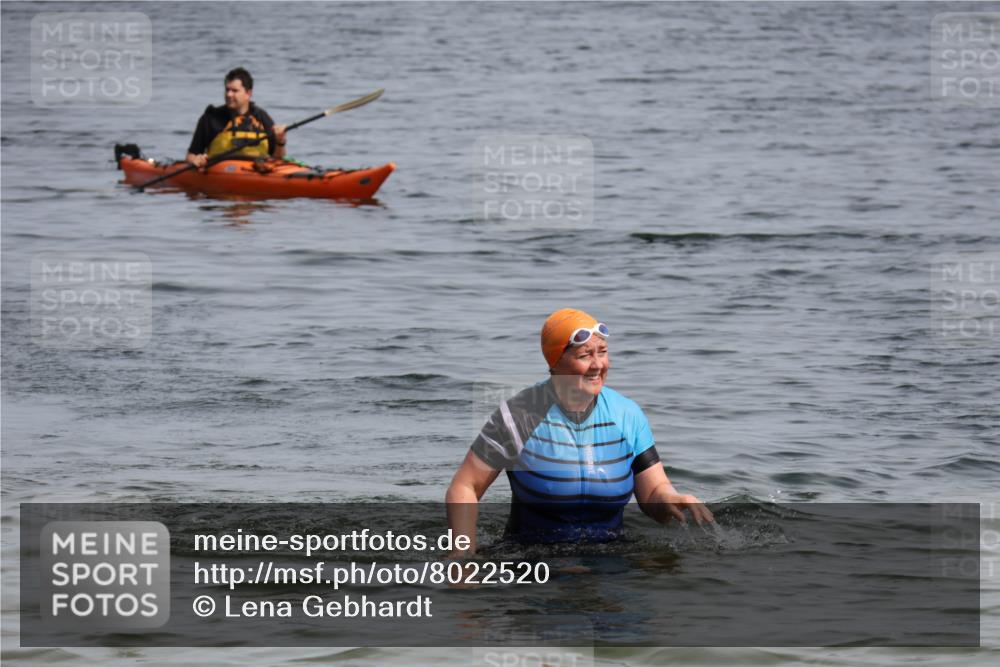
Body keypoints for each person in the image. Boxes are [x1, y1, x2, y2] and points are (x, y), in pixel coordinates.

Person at [446, 308, 713, 555]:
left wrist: (671, 500)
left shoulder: (626, 414)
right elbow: (465, 485)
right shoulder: (519, 415)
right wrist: (462, 555)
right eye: (585, 355)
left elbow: (654, 491)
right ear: (555, 361)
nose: (598, 365)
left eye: (603, 352)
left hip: (610, 558)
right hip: (532, 561)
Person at [185, 67, 287, 168]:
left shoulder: (262, 117)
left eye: (234, 90)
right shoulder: (210, 119)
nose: (229, 94)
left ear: (248, 94)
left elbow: (278, 159)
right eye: (227, 90)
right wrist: (196, 159)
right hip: (220, 174)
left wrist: (280, 141)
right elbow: (191, 155)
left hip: (257, 172)